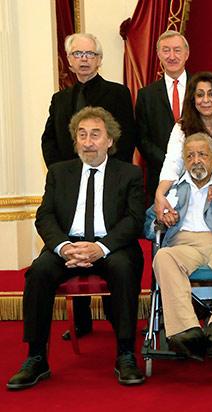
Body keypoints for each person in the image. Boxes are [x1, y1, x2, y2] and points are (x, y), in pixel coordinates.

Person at [8, 107, 145, 390]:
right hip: (68, 247)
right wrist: (63, 247)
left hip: (112, 247)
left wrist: (101, 248)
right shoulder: (59, 173)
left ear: (110, 140)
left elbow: (134, 219)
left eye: (95, 134)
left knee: (123, 267)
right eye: (81, 135)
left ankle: (126, 353)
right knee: (38, 272)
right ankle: (36, 357)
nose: (87, 141)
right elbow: (45, 216)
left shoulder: (128, 173)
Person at [41, 32, 137, 339]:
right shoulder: (60, 99)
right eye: (77, 55)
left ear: (99, 59)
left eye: (89, 54)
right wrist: (64, 171)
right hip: (71, 186)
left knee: (117, 258)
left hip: (108, 183)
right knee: (65, 249)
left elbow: (126, 138)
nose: (83, 60)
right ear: (69, 61)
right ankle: (80, 322)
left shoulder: (117, 93)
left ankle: (116, 322)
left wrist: (106, 170)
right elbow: (49, 140)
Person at [150, 133, 212, 360]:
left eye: (202, 154)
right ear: (184, 161)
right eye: (190, 156)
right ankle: (188, 329)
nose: (196, 160)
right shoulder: (172, 188)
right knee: (163, 256)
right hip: (183, 245)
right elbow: (149, 226)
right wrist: (162, 219)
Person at [154, 71, 212, 224]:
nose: (205, 100)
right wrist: (160, 193)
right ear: (192, 99)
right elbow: (172, 163)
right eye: (199, 95)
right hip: (192, 192)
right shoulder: (181, 127)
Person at [136, 30, 190, 204]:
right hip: (159, 177)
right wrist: (169, 162)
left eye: (177, 50)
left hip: (198, 174)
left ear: (186, 54)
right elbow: (142, 139)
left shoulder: (202, 89)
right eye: (166, 50)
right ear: (159, 54)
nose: (171, 56)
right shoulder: (146, 95)